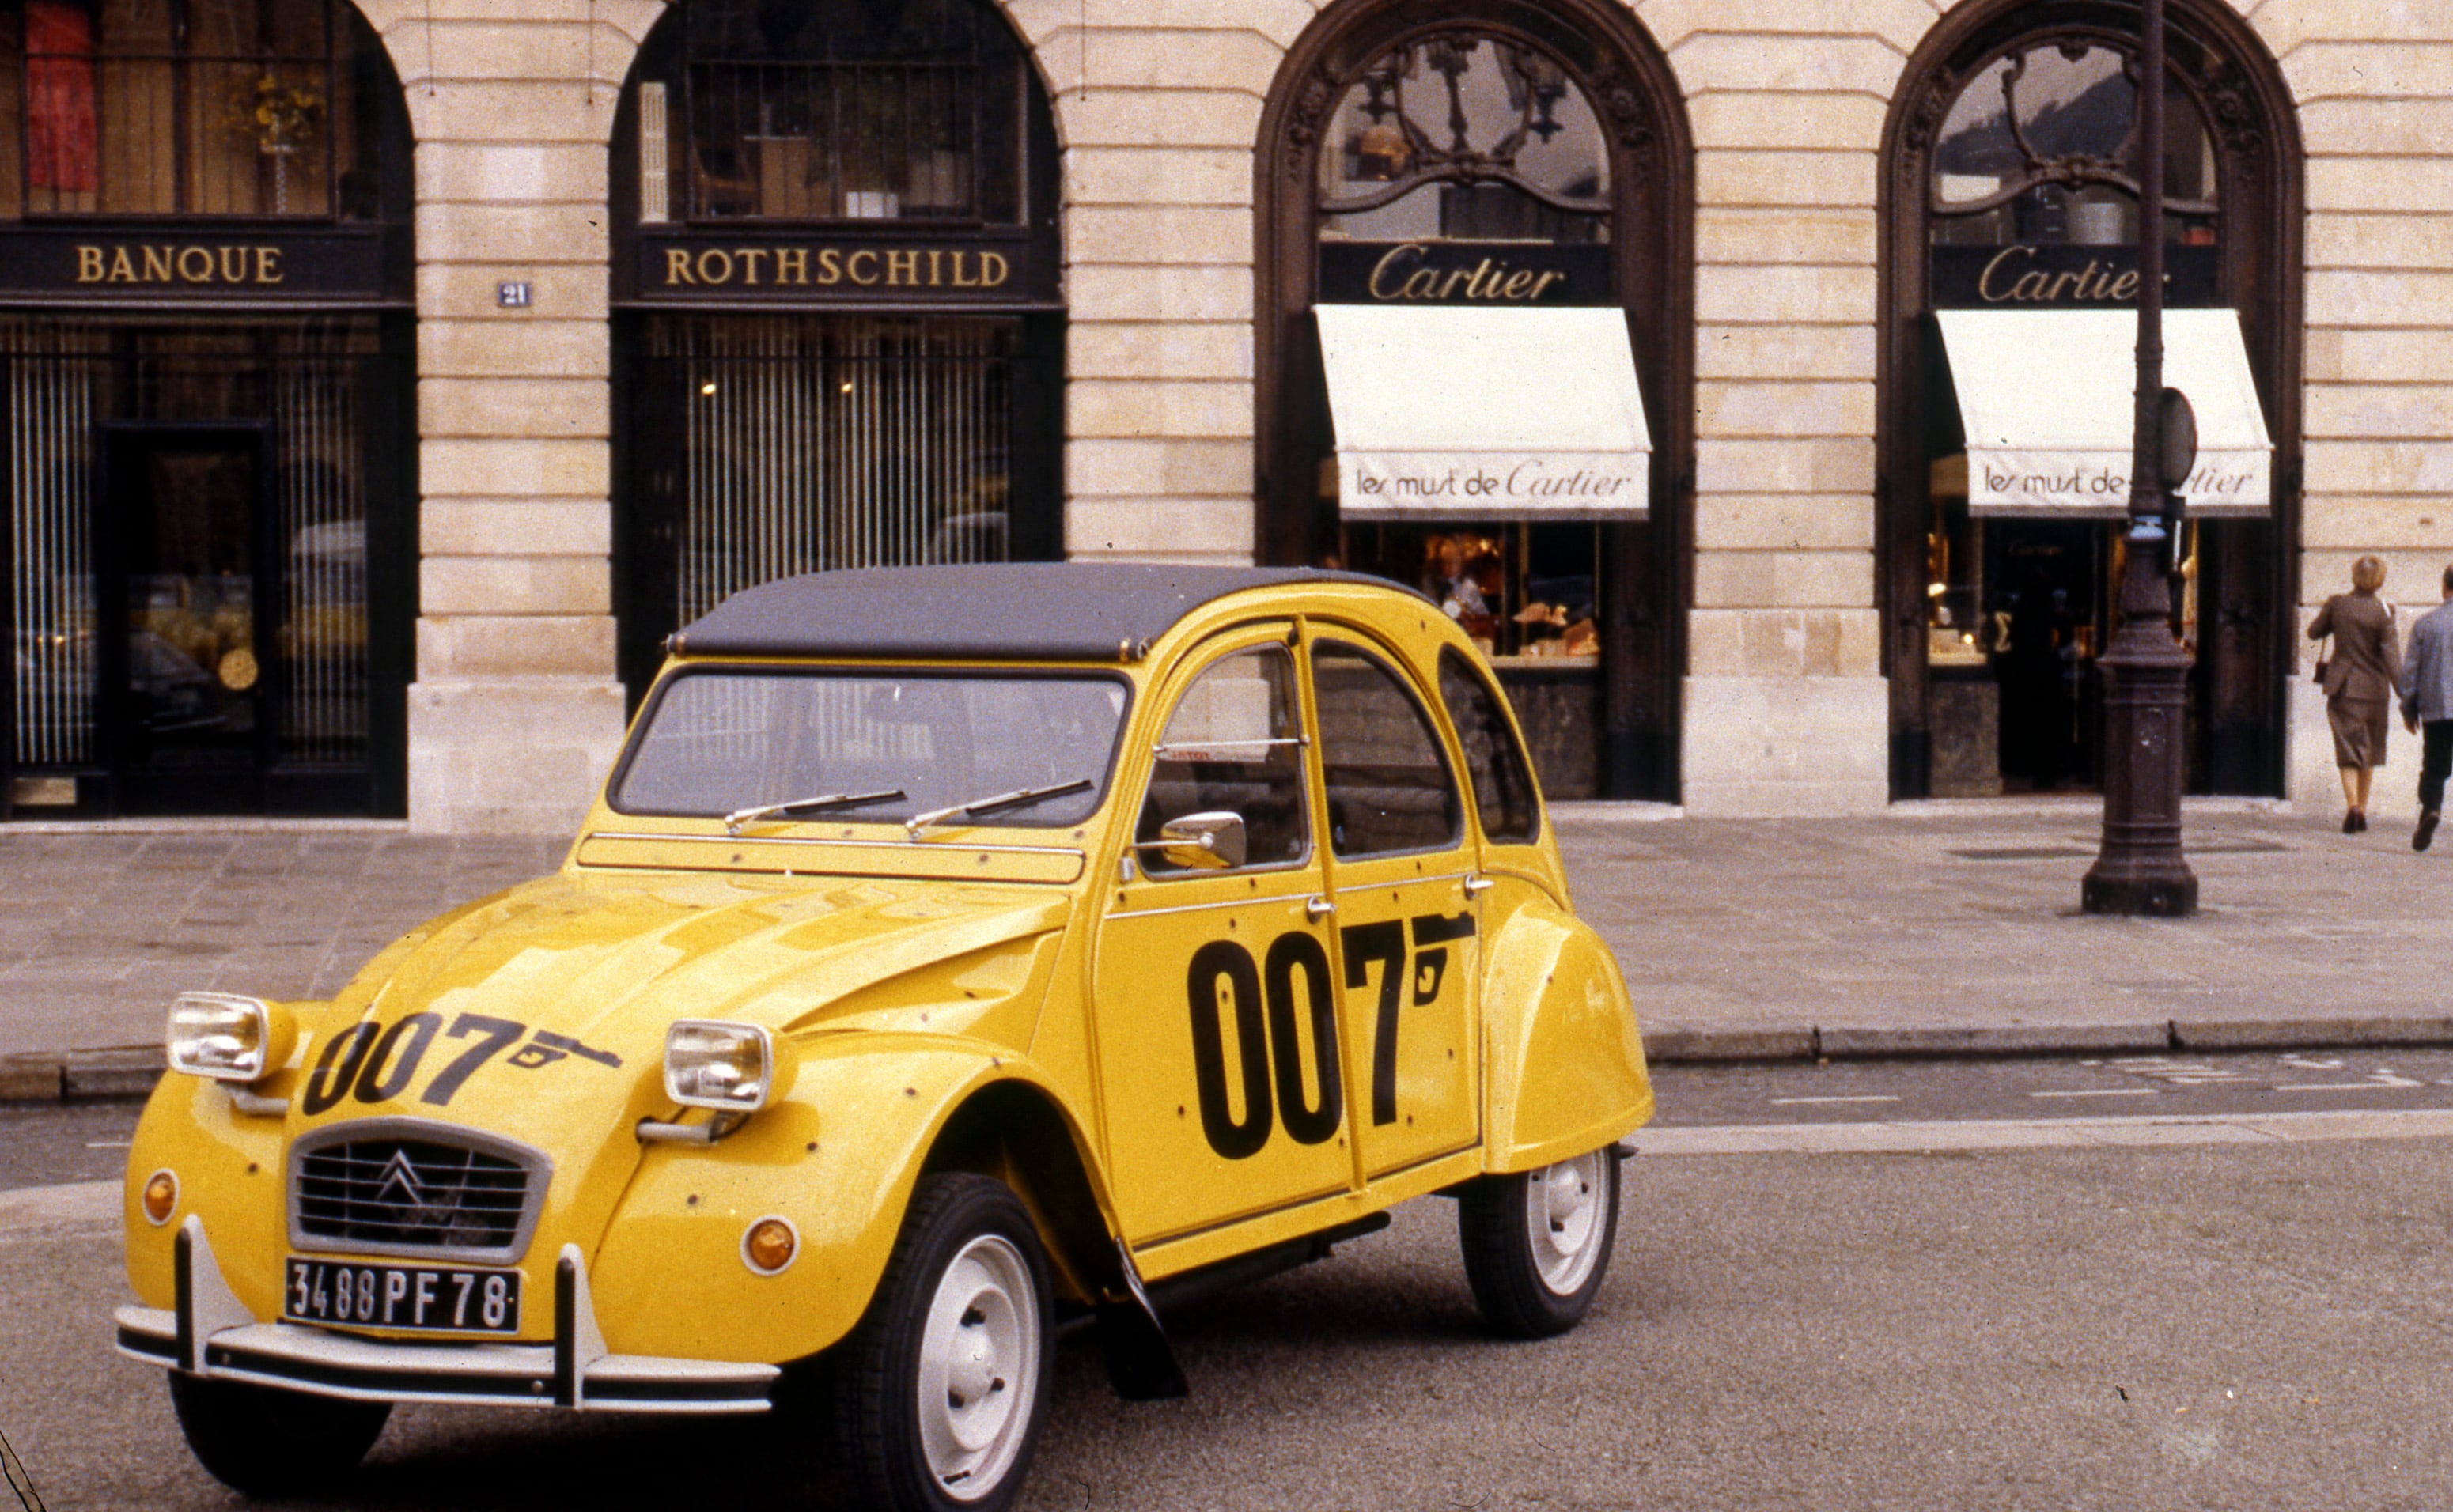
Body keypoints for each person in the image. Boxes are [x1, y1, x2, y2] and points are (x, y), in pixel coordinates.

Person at [2307, 554, 2400, 833]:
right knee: (2368, 749)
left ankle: (2353, 807)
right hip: (2374, 689)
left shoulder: (2338, 605)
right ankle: (2364, 808)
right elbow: (2391, 657)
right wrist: (2406, 692)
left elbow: (2313, 632)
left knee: (2348, 748)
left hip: (2343, 685)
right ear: (2379, 580)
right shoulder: (2385, 611)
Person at [2396, 561, 2453, 852]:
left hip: (2438, 708)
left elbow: (2410, 672)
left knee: (2434, 767)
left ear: (2444, 588)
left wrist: (2408, 709)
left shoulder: (2426, 623)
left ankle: (2431, 808)